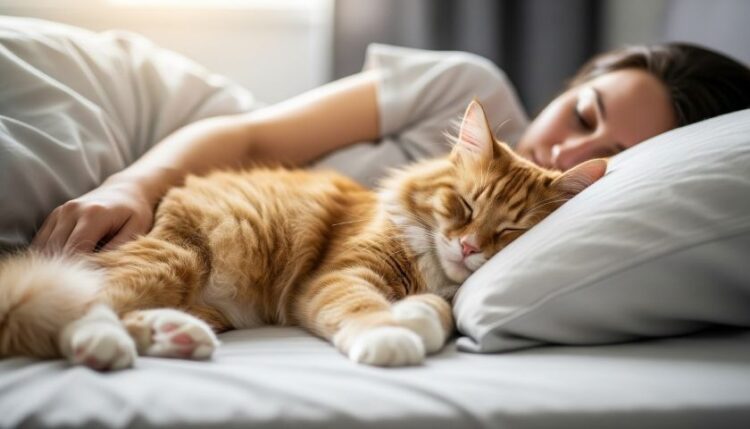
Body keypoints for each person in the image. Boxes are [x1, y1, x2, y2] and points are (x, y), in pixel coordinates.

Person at [2, 17, 749, 254]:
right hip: (164, 126)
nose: (564, 153)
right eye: (582, 115)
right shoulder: (473, 90)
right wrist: (129, 183)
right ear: (570, 81)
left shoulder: (551, 234)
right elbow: (253, 136)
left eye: (609, 158)